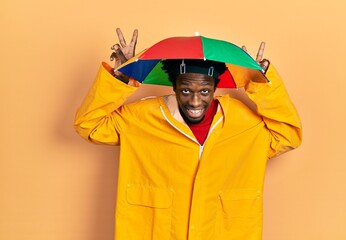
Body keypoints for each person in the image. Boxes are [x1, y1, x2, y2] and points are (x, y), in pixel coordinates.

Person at [74, 27, 302, 240]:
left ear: (214, 88)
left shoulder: (242, 122)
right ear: (174, 87)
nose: (195, 101)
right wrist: (121, 78)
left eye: (204, 90)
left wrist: (260, 83)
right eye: (185, 90)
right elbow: (89, 125)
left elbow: (288, 135)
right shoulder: (141, 117)